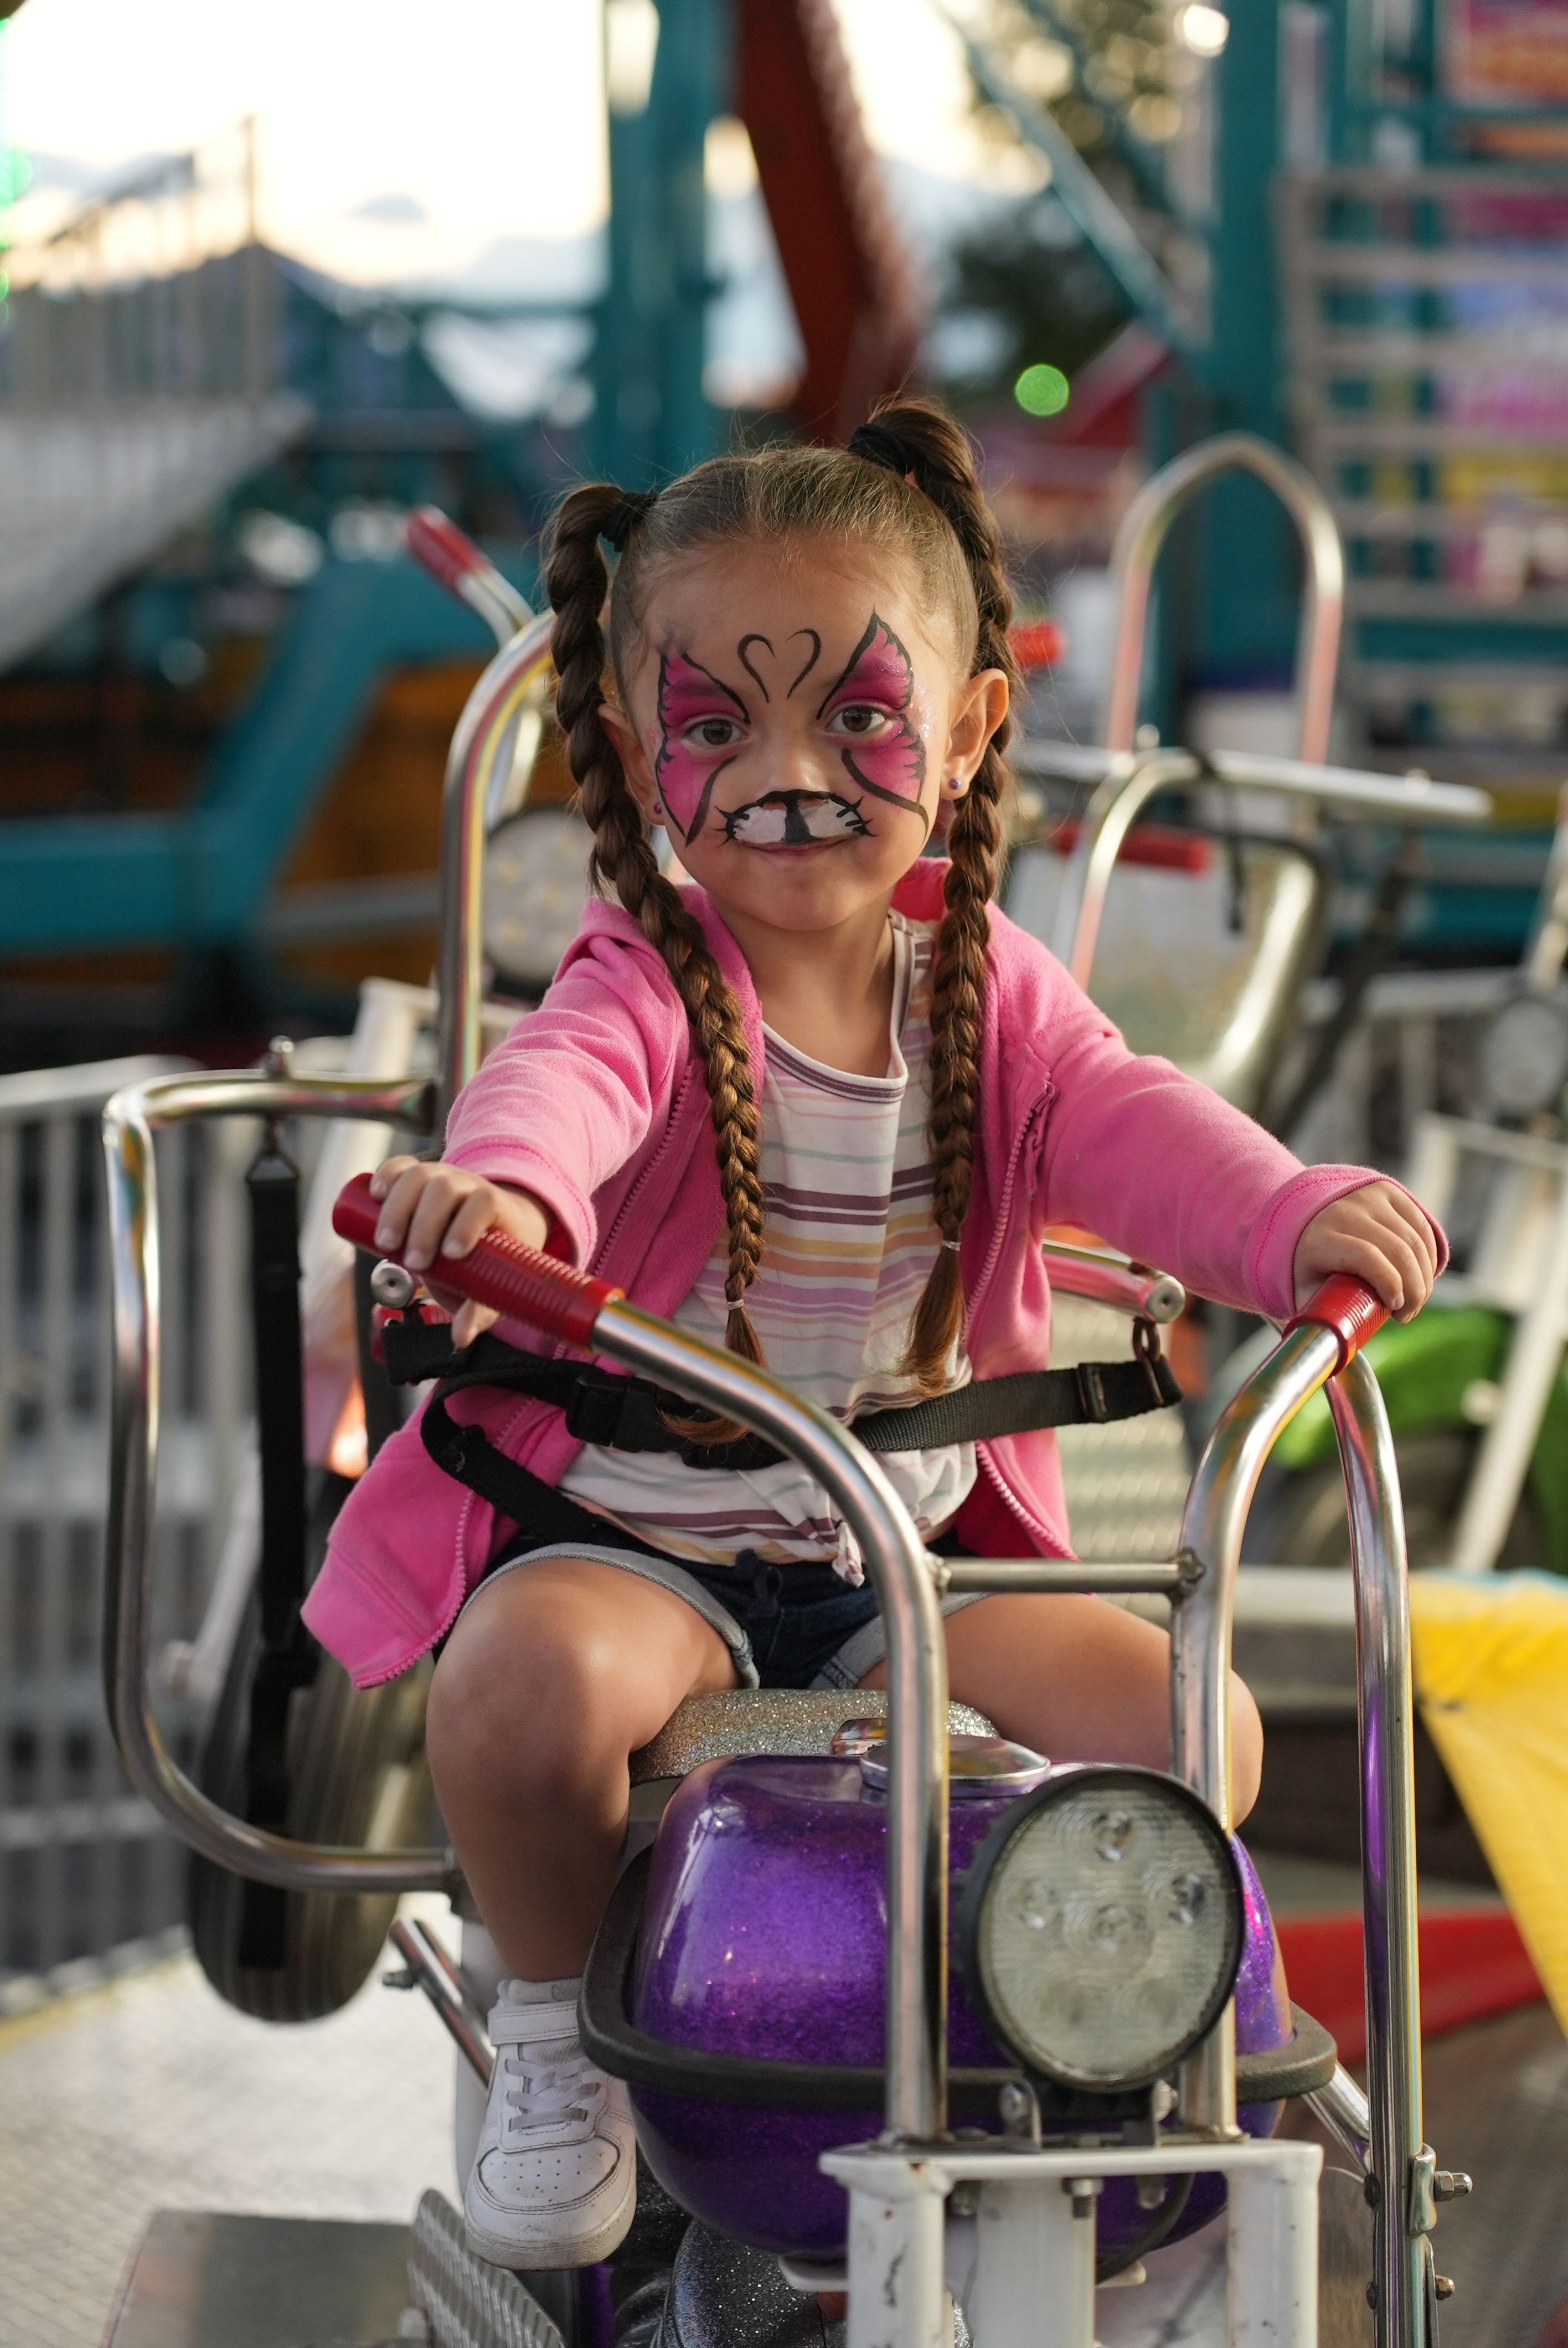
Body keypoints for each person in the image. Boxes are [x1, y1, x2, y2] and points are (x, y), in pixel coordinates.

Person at [302, 400, 1441, 2272]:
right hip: (638, 1538)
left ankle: (1054, 2026)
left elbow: (1140, 1125)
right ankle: (554, 2036)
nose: (787, 772)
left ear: (976, 724)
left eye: (857, 712)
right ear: (638, 744)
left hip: (900, 1554)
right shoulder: (647, 977)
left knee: (1197, 1723)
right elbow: (561, 1092)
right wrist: (500, 1203)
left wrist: (1294, 1216)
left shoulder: (992, 992)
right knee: (514, 1693)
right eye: (715, 723)